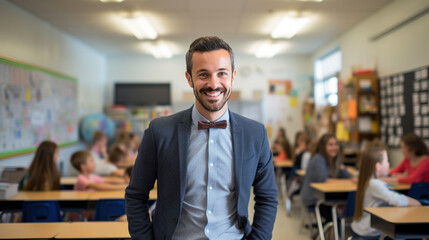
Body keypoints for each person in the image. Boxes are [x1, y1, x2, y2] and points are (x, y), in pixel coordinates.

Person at [125, 36, 278, 240]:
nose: (214, 84)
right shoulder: (159, 131)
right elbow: (136, 195)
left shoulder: (255, 134)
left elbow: (267, 197)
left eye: (221, 73)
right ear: (189, 78)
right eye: (204, 74)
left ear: (233, 76)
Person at [351, 140, 421, 238]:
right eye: (387, 161)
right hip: (370, 229)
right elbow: (395, 199)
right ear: (378, 166)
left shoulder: (370, 180)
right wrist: (416, 202)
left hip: (364, 225)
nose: (389, 164)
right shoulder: (374, 184)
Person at [300, 133, 351, 221]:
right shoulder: (318, 158)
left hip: (325, 197)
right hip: (313, 198)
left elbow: (348, 176)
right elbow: (324, 180)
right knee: (334, 215)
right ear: (323, 147)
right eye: (330, 145)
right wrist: (346, 181)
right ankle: (332, 232)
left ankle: (333, 230)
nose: (334, 147)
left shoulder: (334, 158)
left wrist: (341, 167)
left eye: (336, 144)